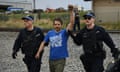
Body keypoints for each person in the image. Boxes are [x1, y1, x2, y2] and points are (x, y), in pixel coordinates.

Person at [35, 5, 74, 72]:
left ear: (61, 25)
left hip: (60, 59)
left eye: (58, 24)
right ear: (53, 25)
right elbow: (43, 43)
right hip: (51, 59)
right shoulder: (50, 33)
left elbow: (71, 23)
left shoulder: (64, 33)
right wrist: (38, 52)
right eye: (55, 24)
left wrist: (71, 12)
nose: (57, 26)